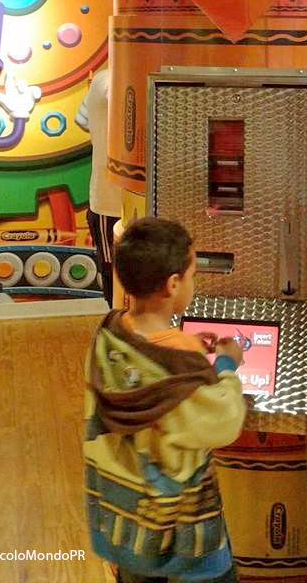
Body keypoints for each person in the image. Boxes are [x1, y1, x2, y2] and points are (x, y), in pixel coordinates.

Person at [84, 217, 246, 583]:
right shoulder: (181, 367)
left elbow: (142, 364)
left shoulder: (107, 335)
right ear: (173, 284)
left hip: (126, 519)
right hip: (179, 532)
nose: (192, 283)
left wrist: (183, 343)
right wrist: (226, 364)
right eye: (191, 275)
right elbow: (224, 420)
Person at [75, 69, 122, 305]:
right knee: (116, 276)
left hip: (112, 198)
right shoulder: (111, 81)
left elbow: (81, 120)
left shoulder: (103, 79)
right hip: (111, 200)